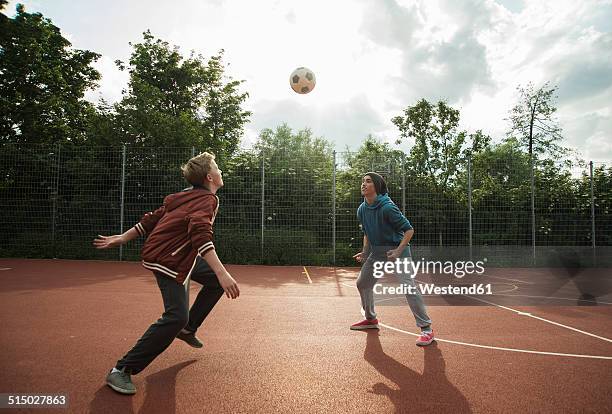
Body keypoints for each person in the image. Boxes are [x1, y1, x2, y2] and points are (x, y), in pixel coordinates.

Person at [93, 152, 240, 395]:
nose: (221, 171)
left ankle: (188, 329)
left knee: (211, 283)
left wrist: (123, 237)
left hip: (178, 256)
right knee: (175, 316)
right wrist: (223, 273)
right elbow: (200, 235)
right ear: (209, 177)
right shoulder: (207, 200)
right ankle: (121, 370)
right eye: (218, 168)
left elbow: (151, 219)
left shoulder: (184, 196)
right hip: (168, 260)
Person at [351, 172, 434, 346]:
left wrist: (398, 251)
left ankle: (426, 328)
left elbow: (409, 230)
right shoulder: (362, 209)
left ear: (377, 186)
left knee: (408, 287)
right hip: (377, 252)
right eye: (362, 181)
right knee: (362, 283)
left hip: (398, 251)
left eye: (368, 181)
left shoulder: (388, 207)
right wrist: (365, 252)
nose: (363, 184)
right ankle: (371, 320)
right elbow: (366, 233)